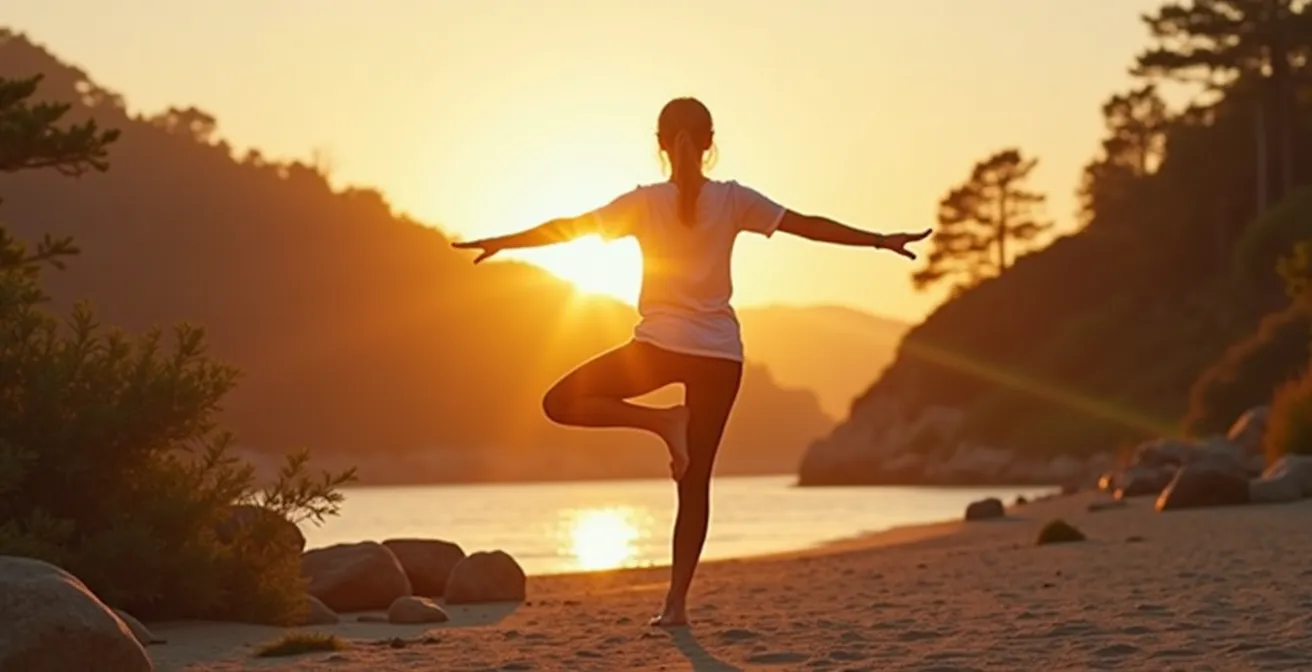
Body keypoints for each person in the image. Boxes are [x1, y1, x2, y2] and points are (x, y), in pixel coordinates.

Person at [453, 97, 929, 627]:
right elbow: (807, 225)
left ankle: (660, 422)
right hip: (720, 357)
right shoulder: (733, 199)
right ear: (709, 142)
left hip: (655, 348)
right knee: (694, 484)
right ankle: (674, 604)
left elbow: (572, 227)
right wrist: (879, 241)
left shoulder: (643, 203)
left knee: (559, 401)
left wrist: (506, 242)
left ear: (660, 143)